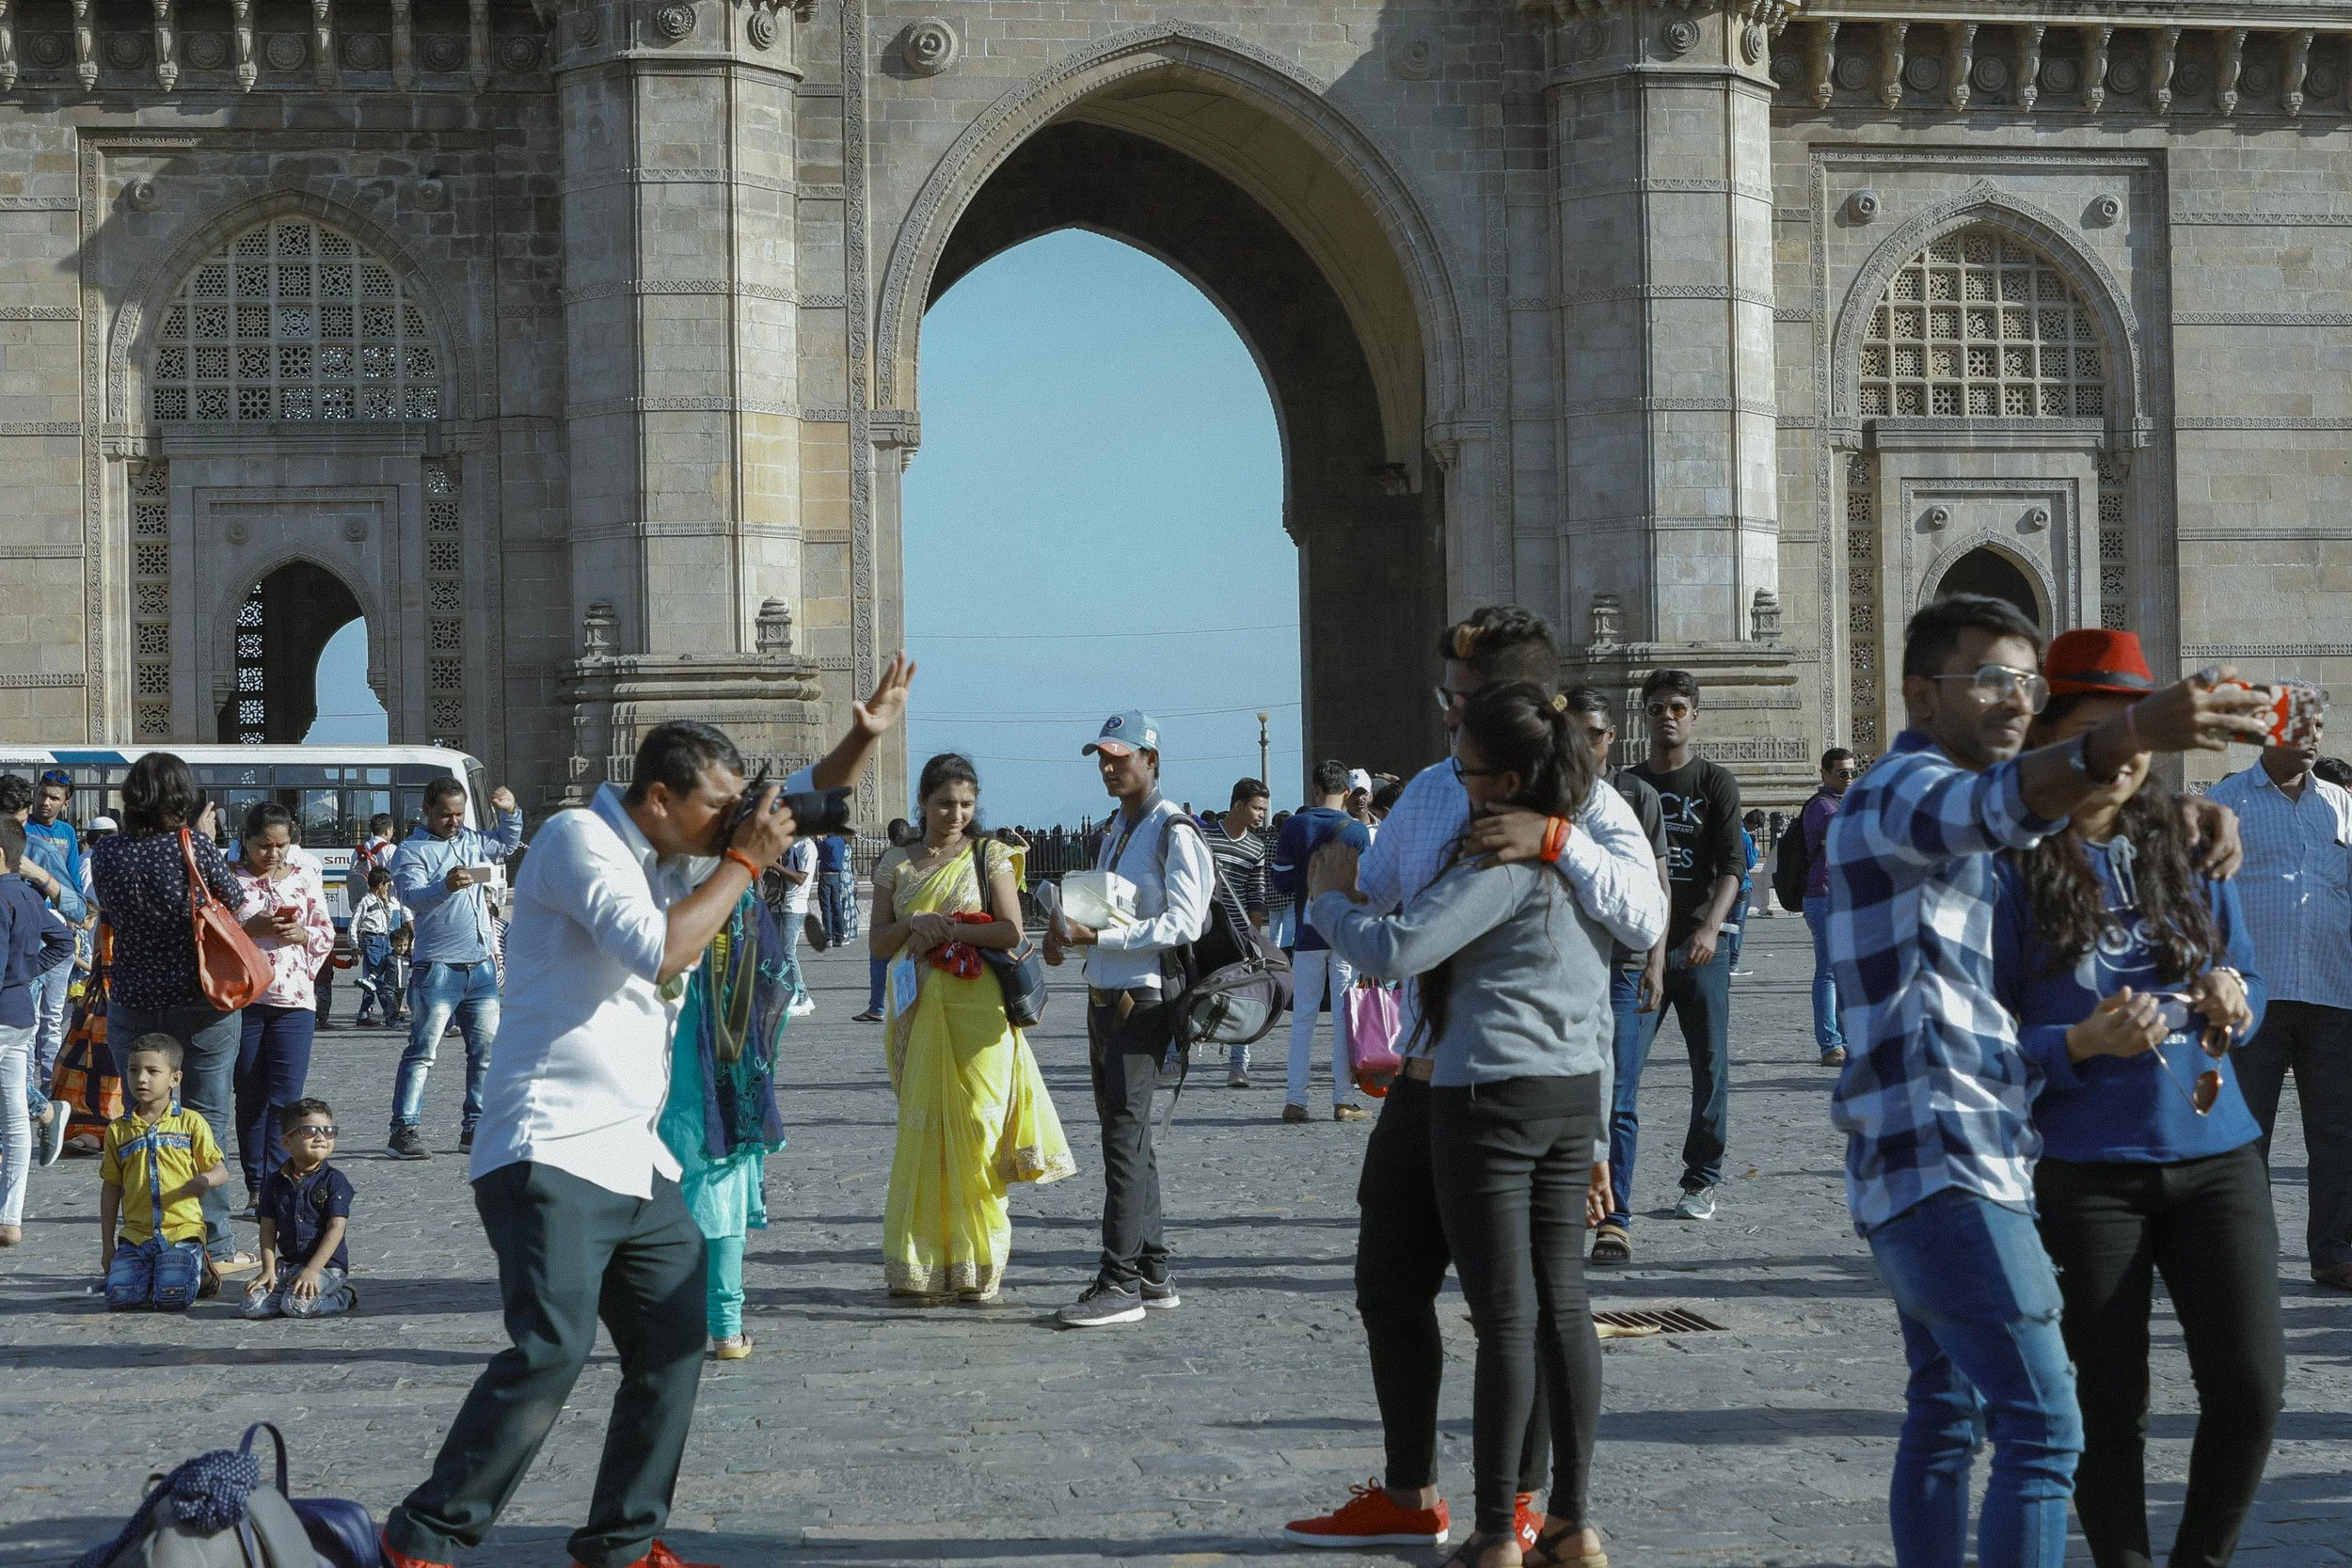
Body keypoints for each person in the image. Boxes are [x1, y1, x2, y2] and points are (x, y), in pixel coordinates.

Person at [382, 655, 912, 1568]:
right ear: (660, 798)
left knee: (673, 1335)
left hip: (634, 1157)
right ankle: (422, 1536)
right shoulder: (577, 842)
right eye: (715, 806)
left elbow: (790, 809)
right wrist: (746, 860)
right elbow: (662, 952)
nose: (730, 822)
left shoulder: (673, 849)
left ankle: (621, 1543)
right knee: (553, 1346)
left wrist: (861, 736)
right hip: (547, 1148)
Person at [1825, 594, 2267, 1568]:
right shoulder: (1902, 789)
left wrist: (2181, 804)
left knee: (1945, 1413)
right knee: (2044, 1429)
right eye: (1987, 677)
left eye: (2026, 681)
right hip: (1944, 1157)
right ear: (1917, 693)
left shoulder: (1979, 822)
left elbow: (2068, 826)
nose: (2013, 699)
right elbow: (1996, 805)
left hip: (1954, 1154)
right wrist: (2136, 729)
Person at [1287, 608, 1664, 1556]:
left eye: (1463, 711)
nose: (1447, 727)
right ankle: (1414, 1488)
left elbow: (1635, 923)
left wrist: (1554, 840)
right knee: (1389, 1282)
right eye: (1446, 705)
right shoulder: (1427, 792)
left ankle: (1521, 1511)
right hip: (1429, 1075)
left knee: (1519, 1309)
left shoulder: (1592, 808)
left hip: (1495, 1083)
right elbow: (1393, 898)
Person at [1990, 628, 2281, 1568]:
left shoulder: (2192, 841)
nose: (2119, 755)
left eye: (2133, 732)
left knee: (2250, 1389)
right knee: (2106, 1404)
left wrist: (2236, 994)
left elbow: (2241, 965)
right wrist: (2076, 1041)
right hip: (2084, 1174)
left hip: (2216, 1153)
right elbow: (1980, 1041)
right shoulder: (2007, 865)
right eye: (2094, 732)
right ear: (2051, 738)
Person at [873, 753, 1074, 1302]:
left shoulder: (991, 857)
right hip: (915, 1006)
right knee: (923, 1127)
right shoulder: (895, 861)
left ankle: (978, 1263)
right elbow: (878, 942)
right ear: (922, 802)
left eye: (965, 804)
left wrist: (952, 928)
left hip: (979, 1009)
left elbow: (1011, 931)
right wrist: (914, 923)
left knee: (979, 1130)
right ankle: (921, 1265)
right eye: (943, 804)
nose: (955, 814)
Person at [1043, 710, 1213, 1329]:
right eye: (1103, 757)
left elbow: (1187, 922)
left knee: (1122, 1141)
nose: (1109, 767)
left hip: (1143, 1003)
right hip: (1102, 997)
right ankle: (1153, 1269)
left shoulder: (1176, 832)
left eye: (1121, 756)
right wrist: (1068, 934)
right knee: (1129, 1139)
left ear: (1153, 760)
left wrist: (1106, 937)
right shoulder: (1116, 829)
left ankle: (1119, 1282)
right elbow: (1102, 912)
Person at [89, 751, 265, 1277]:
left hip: (135, 998)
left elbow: (111, 912)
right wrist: (202, 835)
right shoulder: (192, 846)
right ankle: (213, 1242)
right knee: (205, 1120)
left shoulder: (108, 852)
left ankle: (149, 1234)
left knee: (144, 1117)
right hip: (204, 998)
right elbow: (234, 902)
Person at [2204, 682, 2352, 1292]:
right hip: (2251, 995)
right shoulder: (2226, 803)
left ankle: (2337, 1251)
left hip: (2334, 992)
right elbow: (2200, 896)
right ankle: (2239, 1255)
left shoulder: (2342, 806)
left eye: (2317, 728)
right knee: (2247, 1133)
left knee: (2338, 1130)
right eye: (2299, 727)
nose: (2311, 738)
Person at [657, 851, 792, 1361]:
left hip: (666, 1068)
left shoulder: (662, 890)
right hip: (729, 1070)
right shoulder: (743, 899)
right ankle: (727, 1327)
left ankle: (671, 1323)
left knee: (667, 1199)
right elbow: (775, 982)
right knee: (725, 1194)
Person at [1625, 669, 1745, 1223]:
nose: (1667, 716)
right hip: (1635, 950)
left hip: (1699, 949)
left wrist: (1710, 928)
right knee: (1620, 1066)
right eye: (1657, 708)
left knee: (1710, 1067)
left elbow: (1732, 867)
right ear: (1643, 715)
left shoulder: (1714, 782)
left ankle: (1702, 1178)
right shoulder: (1624, 787)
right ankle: (1603, 1177)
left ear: (1694, 715)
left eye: (1677, 707)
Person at [1558, 686, 1668, 1267]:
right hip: (1562, 969)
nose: (1586, 743)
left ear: (1611, 737)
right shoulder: (1541, 794)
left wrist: (1655, 959)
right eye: (1576, 732)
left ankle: (1614, 1218)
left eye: (1596, 733)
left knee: (1619, 1096)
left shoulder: (1636, 797)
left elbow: (1656, 884)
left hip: (1622, 970)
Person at [386, 778, 523, 1160]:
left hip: (480, 965)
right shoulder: (410, 852)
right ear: (426, 810)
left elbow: (506, 845)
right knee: (423, 1051)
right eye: (446, 814)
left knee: (485, 1052)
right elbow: (413, 898)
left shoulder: (471, 840)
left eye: (459, 814)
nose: (454, 822)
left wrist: (510, 812)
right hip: (438, 968)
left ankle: (475, 1128)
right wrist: (445, 886)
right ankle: (404, 1129)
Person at [229, 802, 337, 1209]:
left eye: (281, 846)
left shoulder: (305, 877)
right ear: (246, 841)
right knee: (250, 1094)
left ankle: (278, 1182)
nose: (272, 854)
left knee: (286, 1096)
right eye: (263, 846)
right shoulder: (230, 882)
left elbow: (324, 931)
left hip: (294, 1001)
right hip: (244, 999)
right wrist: (246, 927)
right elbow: (209, 933)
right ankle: (256, 1183)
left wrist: (301, 933)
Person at [1269, 761, 1373, 1122]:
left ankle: (1295, 1099)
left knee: (1303, 1018)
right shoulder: (1358, 832)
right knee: (1345, 1017)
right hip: (1344, 933)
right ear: (1346, 792)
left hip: (1306, 933)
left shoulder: (1295, 826)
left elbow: (1280, 882)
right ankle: (1343, 1099)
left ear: (1314, 789)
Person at [100, 1034, 229, 1312]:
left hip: (182, 1231)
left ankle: (203, 1270)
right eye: (134, 1070)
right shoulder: (119, 1131)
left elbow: (220, 1170)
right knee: (120, 1298)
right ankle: (151, 1272)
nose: (141, 1079)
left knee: (172, 1297)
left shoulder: (191, 1122)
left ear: (175, 1078)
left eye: (152, 1071)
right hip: (136, 1235)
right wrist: (107, 1245)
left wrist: (204, 1180)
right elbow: (111, 1186)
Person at [1, 819, 74, 1246]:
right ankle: (10, 1218)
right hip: (20, 1017)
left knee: (12, 1119)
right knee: (13, 1121)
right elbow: (64, 943)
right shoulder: (29, 895)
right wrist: (26, 973)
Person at [244, 1097, 359, 1320]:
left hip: (326, 1267)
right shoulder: (275, 1182)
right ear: (286, 1142)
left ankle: (344, 1295)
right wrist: (268, 1270)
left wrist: (313, 1270)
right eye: (309, 1131)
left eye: (328, 1131)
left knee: (297, 1307)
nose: (321, 1137)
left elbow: (336, 1228)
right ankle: (286, 1292)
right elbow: (267, 1227)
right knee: (252, 1306)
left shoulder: (334, 1180)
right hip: (289, 1266)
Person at [20, 769, 87, 1136]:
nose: (46, 803)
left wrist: (73, 909)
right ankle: (28, 1093)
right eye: (42, 795)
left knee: (53, 1016)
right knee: (25, 1022)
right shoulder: (23, 831)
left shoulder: (64, 835)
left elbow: (73, 883)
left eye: (54, 797)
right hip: (28, 928)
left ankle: (48, 1088)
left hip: (56, 927)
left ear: (65, 802)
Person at [1209, 778, 1274, 1086]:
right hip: (1203, 928)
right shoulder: (1205, 837)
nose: (1262, 814)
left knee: (1242, 993)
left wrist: (1254, 932)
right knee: (1185, 988)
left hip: (1238, 932)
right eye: (1257, 808)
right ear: (1238, 805)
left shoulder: (1256, 847)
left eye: (1264, 809)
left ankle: (1239, 1065)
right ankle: (1173, 1055)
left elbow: (1256, 893)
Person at [1801, 749, 1862, 1068]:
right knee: (1827, 970)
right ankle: (1830, 1043)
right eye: (1841, 773)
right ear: (1823, 774)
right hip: (1823, 896)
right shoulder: (1823, 807)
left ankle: (1845, 1039)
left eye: (1852, 772)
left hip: (1845, 897)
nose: (1848, 778)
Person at [854, 818, 920, 1023]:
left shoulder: (889, 857)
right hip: (916, 918)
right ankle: (907, 1007)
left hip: (894, 921)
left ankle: (877, 1006)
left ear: (891, 838)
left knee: (879, 960)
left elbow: (879, 883)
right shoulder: (919, 854)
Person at [763, 834, 818, 1017]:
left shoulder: (807, 847)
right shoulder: (789, 844)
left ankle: (803, 997)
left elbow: (801, 878)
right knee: (777, 952)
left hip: (794, 905)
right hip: (778, 901)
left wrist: (775, 865)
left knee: (788, 951)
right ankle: (784, 996)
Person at [352, 868, 410, 1027]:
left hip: (383, 939)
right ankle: (391, 1015)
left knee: (372, 979)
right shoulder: (365, 901)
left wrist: (385, 903)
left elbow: (388, 919)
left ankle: (364, 1014)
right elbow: (354, 923)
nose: (389, 887)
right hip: (371, 940)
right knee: (380, 979)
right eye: (387, 884)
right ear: (380, 885)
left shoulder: (381, 901)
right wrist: (354, 945)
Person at [818, 832, 858, 948]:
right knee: (837, 905)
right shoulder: (841, 842)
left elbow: (819, 855)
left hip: (826, 875)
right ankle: (840, 936)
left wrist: (818, 841)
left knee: (826, 907)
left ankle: (828, 937)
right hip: (837, 876)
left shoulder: (827, 842)